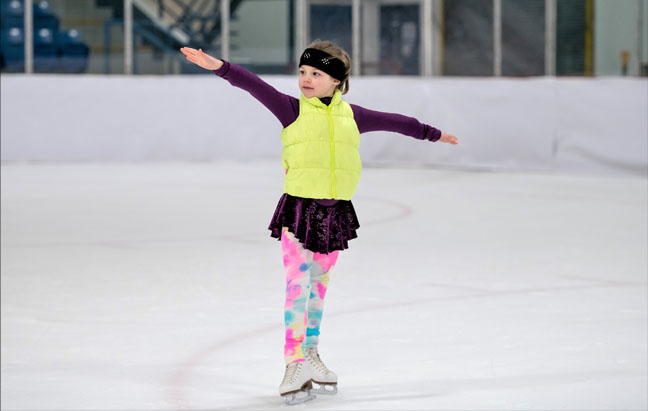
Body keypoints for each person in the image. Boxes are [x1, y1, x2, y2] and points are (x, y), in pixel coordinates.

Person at [180, 40, 458, 405]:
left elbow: (397, 122)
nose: (306, 79)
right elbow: (252, 85)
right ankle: (293, 361)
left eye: (317, 73)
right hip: (298, 211)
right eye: (303, 72)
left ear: (338, 81)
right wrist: (220, 66)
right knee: (297, 286)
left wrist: (432, 134)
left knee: (318, 288)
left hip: (335, 214)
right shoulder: (291, 109)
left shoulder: (353, 116)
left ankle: (311, 354)